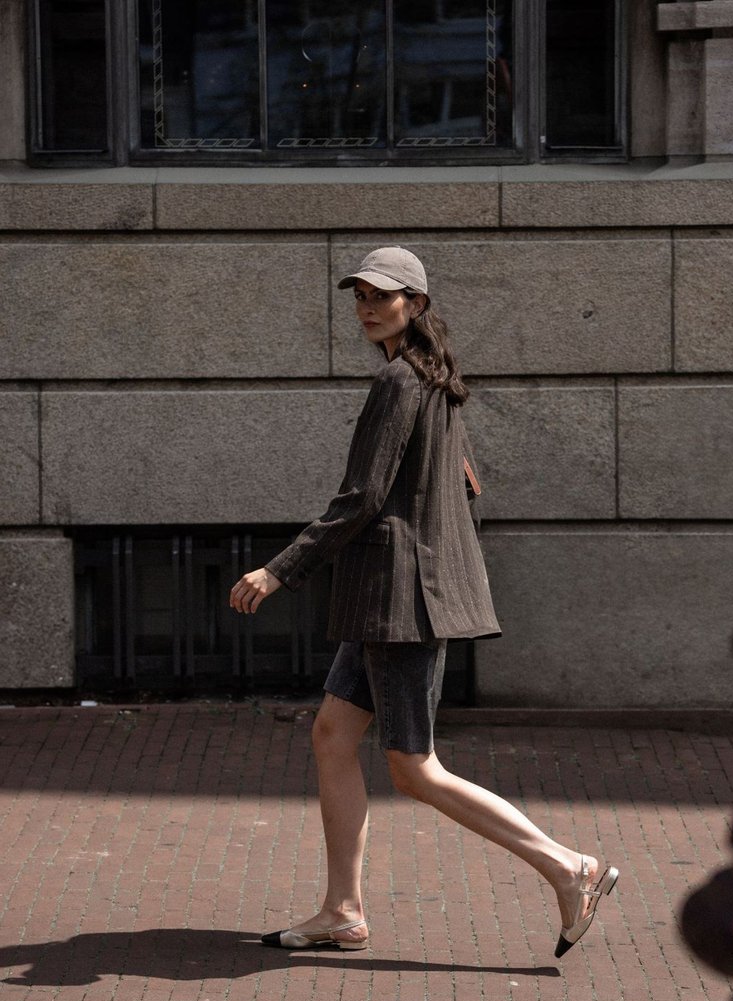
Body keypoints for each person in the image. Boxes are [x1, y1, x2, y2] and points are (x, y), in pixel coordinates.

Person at [229, 246, 618, 958]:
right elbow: (466, 485)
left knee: (415, 768)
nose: (367, 308)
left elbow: (362, 497)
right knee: (332, 736)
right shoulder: (434, 379)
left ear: (415, 303)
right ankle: (342, 911)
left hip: (400, 602)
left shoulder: (400, 382)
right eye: (359, 296)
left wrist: (279, 570)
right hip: (389, 597)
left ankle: (570, 868)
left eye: (382, 296)